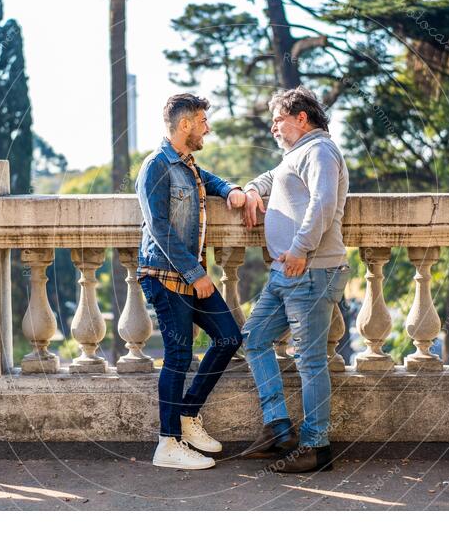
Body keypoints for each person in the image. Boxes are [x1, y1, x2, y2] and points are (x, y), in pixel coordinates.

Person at [239, 86, 350, 473]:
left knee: (309, 360)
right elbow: (274, 176)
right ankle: (278, 428)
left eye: (278, 120)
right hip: (287, 272)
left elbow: (323, 204)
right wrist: (252, 189)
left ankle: (317, 446)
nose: (273, 127)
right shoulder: (298, 154)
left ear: (301, 118)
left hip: (311, 270)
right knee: (254, 338)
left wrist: (301, 249)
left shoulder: (320, 150)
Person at [136, 93, 246, 470]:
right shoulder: (156, 166)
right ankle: (167, 443)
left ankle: (186, 416)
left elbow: (207, 180)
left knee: (230, 336)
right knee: (179, 356)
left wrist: (230, 189)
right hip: (166, 275)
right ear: (184, 125)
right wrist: (197, 274)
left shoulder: (186, 164)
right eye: (202, 121)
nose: (207, 128)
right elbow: (160, 229)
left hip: (188, 275)